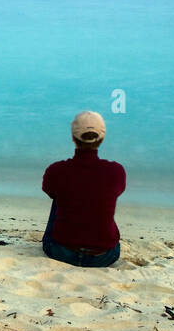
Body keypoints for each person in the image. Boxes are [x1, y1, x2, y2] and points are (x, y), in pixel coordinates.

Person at [41, 110, 125, 267]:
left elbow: (49, 191)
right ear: (102, 138)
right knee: (101, 195)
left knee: (60, 195)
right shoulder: (116, 171)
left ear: (73, 137)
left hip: (60, 251)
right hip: (104, 256)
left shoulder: (57, 170)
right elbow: (119, 190)